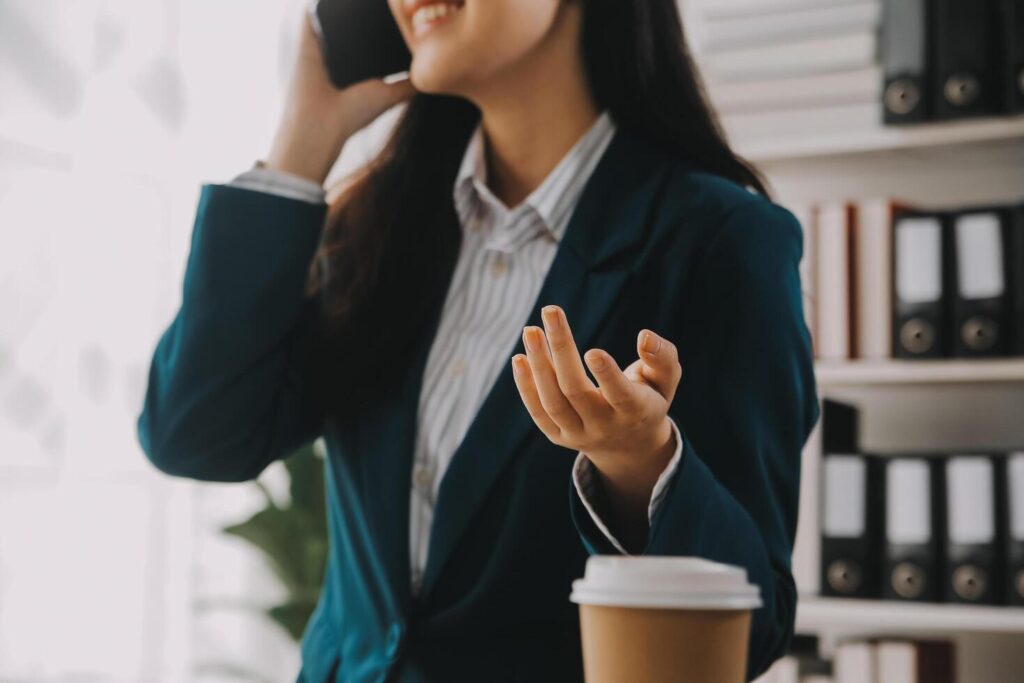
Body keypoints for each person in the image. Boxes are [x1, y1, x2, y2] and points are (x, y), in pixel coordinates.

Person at [135, 0, 820, 681]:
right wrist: (302, 144)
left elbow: (752, 623)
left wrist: (640, 463)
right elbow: (198, 434)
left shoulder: (722, 241)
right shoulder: (376, 229)